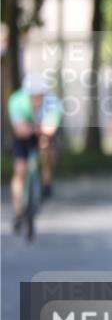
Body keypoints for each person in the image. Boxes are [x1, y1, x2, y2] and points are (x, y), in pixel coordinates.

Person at [8, 74, 64, 233]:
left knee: (48, 149)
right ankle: (19, 211)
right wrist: (32, 130)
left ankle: (47, 180)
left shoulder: (53, 103)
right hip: (25, 134)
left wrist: (44, 134)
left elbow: (50, 128)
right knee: (20, 170)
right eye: (33, 97)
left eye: (40, 96)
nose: (37, 100)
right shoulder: (17, 101)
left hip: (43, 131)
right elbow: (20, 131)